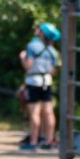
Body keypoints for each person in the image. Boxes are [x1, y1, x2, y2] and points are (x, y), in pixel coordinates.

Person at [19, 22, 61, 152]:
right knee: (48, 112)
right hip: (47, 82)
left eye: (39, 29)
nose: (37, 30)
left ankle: (33, 142)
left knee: (34, 112)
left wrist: (22, 58)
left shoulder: (32, 46)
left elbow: (28, 66)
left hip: (34, 82)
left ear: (42, 33)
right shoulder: (53, 51)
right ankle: (48, 141)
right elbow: (53, 71)